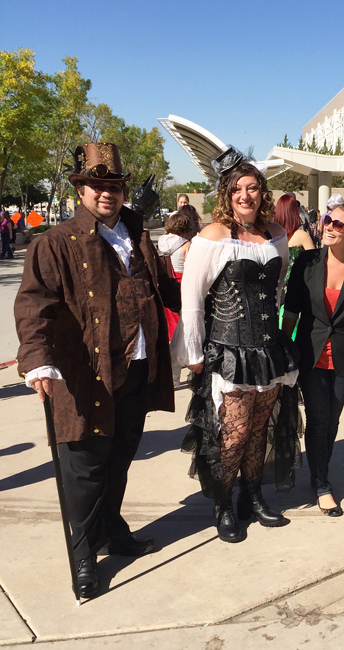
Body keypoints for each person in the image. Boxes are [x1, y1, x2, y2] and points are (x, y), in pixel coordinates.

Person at [14, 142, 181, 599]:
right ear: (81, 189)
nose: (106, 194)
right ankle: (84, 553)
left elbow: (167, 290)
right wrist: (37, 360)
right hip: (88, 375)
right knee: (85, 468)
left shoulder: (138, 233)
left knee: (120, 459)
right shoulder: (55, 242)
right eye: (97, 186)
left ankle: (113, 530)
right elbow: (34, 305)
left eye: (114, 187)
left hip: (138, 368)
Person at [173, 148, 299, 544]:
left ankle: (254, 496)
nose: (246, 195)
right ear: (226, 194)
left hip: (268, 350)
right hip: (229, 350)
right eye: (238, 189)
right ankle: (224, 503)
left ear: (262, 192)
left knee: (259, 429)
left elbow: (276, 290)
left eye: (253, 188)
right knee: (234, 432)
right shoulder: (211, 237)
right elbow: (191, 298)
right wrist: (193, 354)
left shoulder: (276, 235)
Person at [282, 204, 344, 516]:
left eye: (338, 224)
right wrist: (284, 346)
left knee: (332, 420)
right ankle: (322, 484)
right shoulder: (307, 261)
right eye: (327, 220)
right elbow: (292, 307)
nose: (328, 226)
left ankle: (317, 472)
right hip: (310, 354)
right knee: (319, 419)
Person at [157, 209, 195, 341]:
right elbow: (191, 266)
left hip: (166, 280)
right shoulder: (186, 244)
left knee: (168, 314)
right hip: (181, 280)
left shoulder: (161, 242)